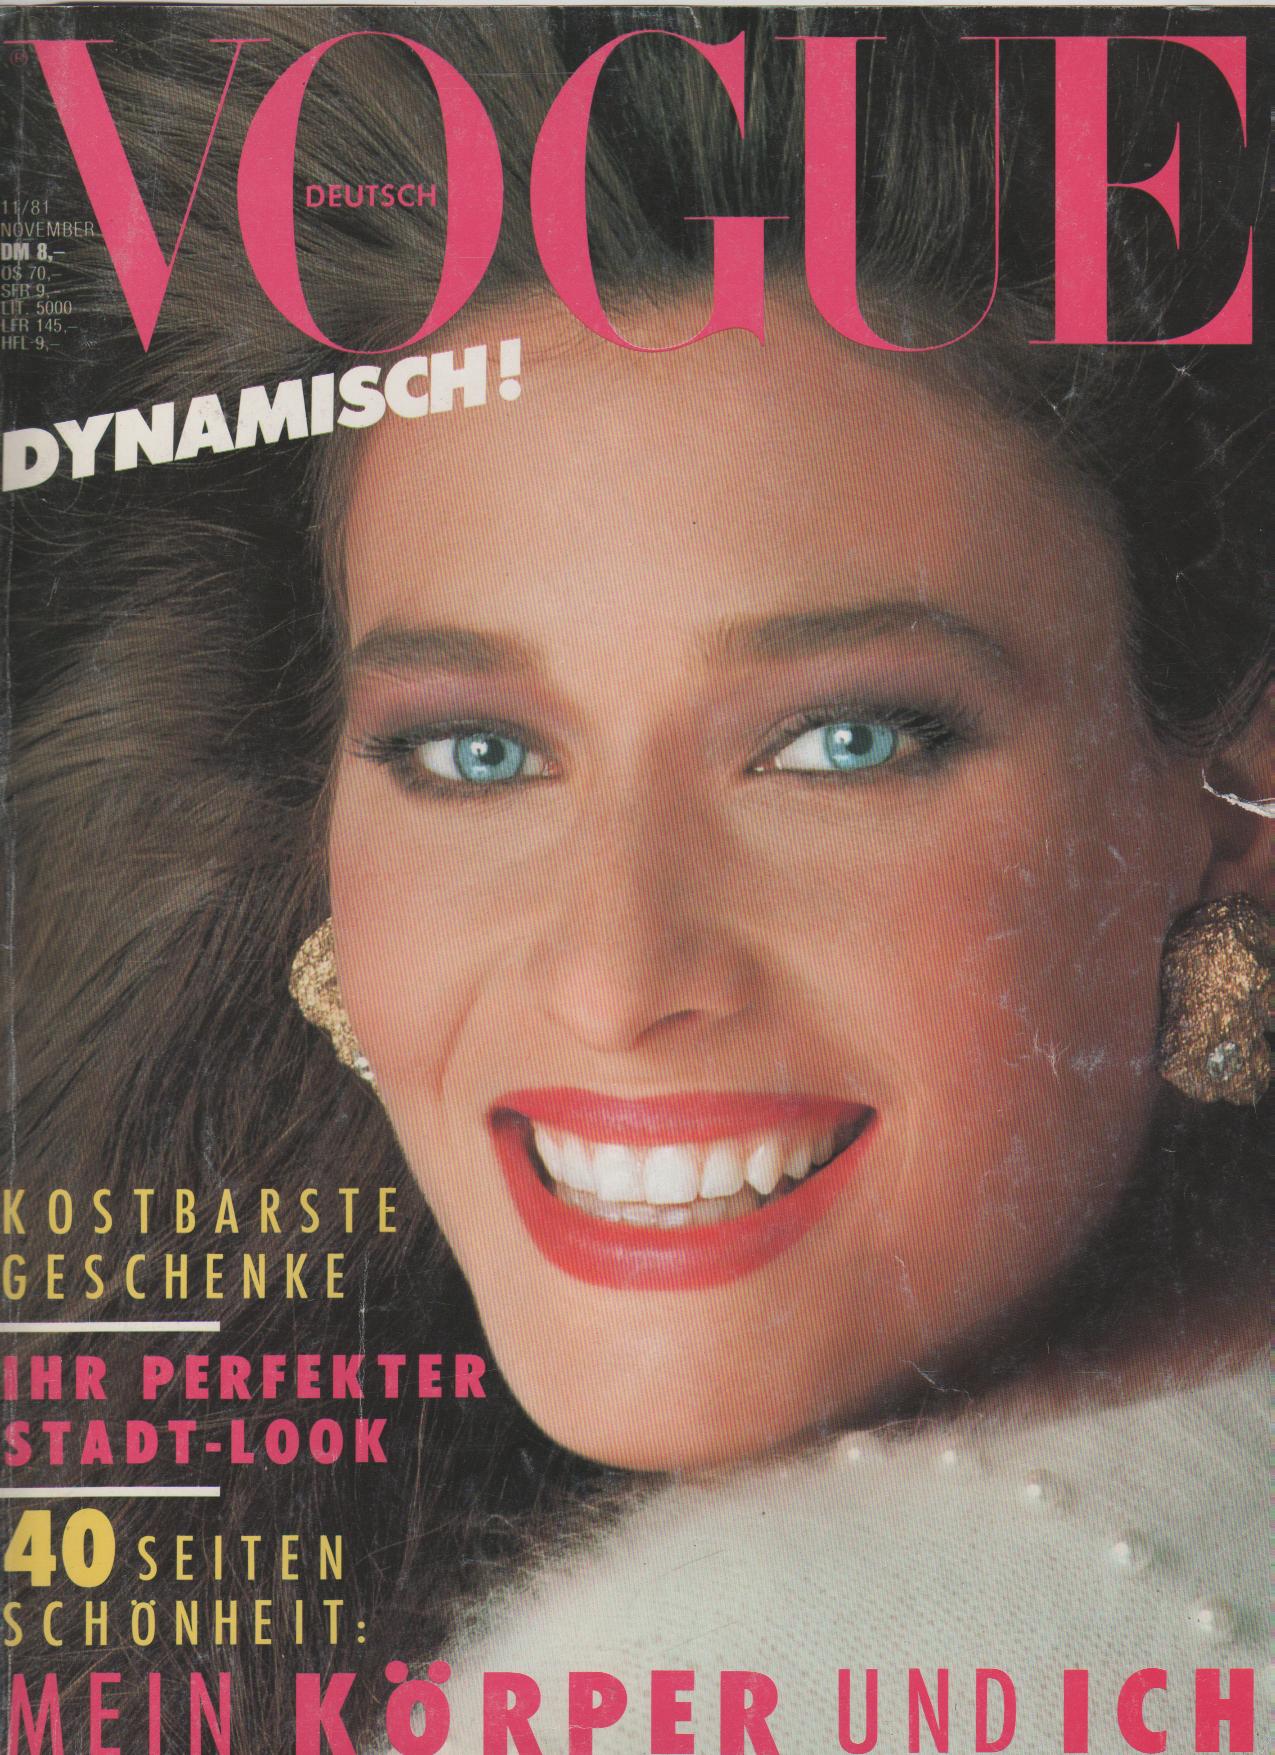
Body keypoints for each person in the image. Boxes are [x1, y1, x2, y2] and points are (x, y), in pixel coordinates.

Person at [8, 8, 1269, 1751]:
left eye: (841, 743)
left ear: (1240, 795)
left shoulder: (753, 1666)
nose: (614, 973)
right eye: (475, 753)